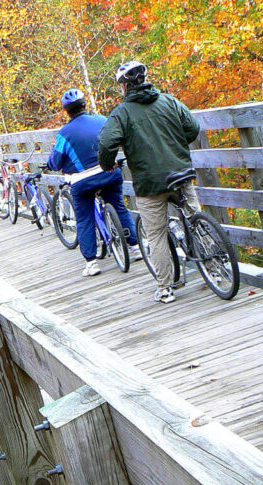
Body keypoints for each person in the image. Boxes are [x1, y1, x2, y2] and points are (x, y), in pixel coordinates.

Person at [98, 60, 201, 304]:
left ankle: (165, 288)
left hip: (150, 184)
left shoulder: (121, 113)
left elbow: (106, 144)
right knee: (195, 218)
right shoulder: (169, 101)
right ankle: (214, 260)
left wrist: (107, 164)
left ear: (124, 87)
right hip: (181, 172)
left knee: (155, 234)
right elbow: (193, 128)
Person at [47, 88, 139, 277]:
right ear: (84, 105)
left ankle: (91, 262)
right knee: (119, 206)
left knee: (84, 218)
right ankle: (136, 246)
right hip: (109, 172)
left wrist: (52, 163)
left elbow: (55, 162)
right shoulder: (101, 120)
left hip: (82, 181)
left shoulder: (64, 134)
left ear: (67, 111)